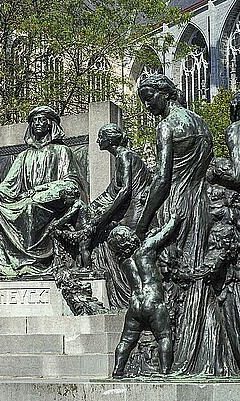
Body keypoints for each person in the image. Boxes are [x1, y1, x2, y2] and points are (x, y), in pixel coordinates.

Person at [136, 74, 216, 374]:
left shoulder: (167, 125)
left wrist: (143, 223)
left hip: (176, 207)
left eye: (149, 98)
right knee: (197, 278)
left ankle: (178, 353)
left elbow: (161, 179)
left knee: (173, 278)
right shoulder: (201, 123)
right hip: (201, 205)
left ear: (164, 93)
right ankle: (203, 348)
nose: (146, 106)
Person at [0, 106, 87, 276]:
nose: (37, 123)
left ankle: (32, 262)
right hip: (24, 201)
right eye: (34, 120)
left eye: (41, 119)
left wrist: (40, 190)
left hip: (50, 203)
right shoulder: (23, 156)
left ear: (50, 124)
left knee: (30, 206)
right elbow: (8, 184)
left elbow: (71, 183)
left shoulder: (62, 151)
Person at [90, 123, 152, 308]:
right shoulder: (124, 156)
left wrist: (104, 218)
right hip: (130, 211)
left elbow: (125, 191)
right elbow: (113, 191)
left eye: (101, 136)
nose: (98, 140)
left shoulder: (125, 156)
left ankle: (129, 297)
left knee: (118, 249)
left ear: (110, 139)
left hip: (134, 213)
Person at [108, 216, 178, 378]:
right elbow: (165, 234)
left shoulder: (123, 262)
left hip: (134, 305)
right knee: (164, 336)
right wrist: (174, 219)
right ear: (130, 238)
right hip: (153, 301)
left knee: (126, 341)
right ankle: (165, 371)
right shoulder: (145, 249)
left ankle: (118, 371)